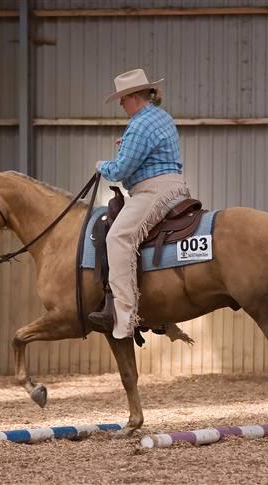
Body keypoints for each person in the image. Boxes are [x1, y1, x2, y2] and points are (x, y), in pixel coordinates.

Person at [88, 68, 191, 340]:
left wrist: (101, 166)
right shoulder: (160, 117)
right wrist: (128, 144)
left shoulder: (139, 124)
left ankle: (124, 315)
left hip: (153, 191)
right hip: (174, 187)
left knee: (118, 238)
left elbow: (121, 170)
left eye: (123, 98)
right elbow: (148, 152)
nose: (121, 104)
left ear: (134, 96)